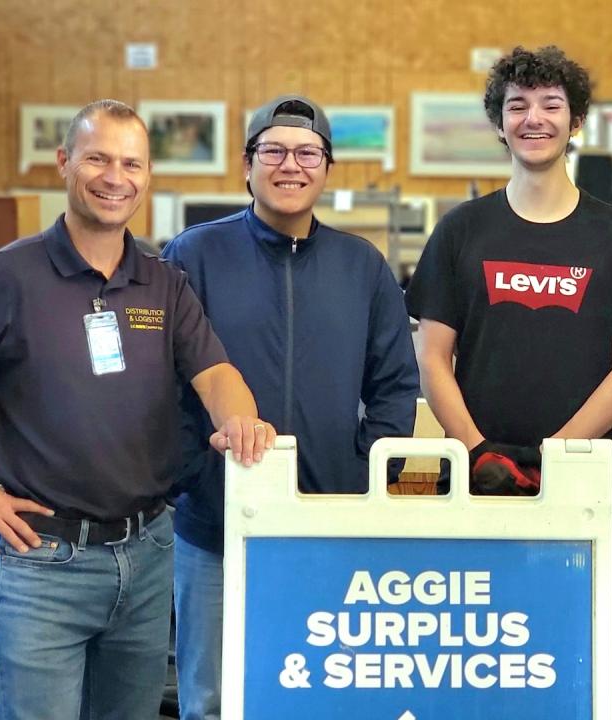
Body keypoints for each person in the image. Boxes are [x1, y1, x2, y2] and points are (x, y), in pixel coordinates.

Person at [0, 99, 272, 720]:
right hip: (44, 566)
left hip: (146, 557)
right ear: (64, 163)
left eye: (131, 163)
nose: (116, 177)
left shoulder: (161, 282)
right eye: (98, 159)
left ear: (146, 177)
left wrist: (239, 418)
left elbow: (215, 371)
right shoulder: (8, 277)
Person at [162, 94, 419, 720]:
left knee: (321, 693)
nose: (290, 165)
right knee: (211, 699)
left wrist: (360, 477)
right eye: (272, 150)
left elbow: (395, 385)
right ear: (247, 164)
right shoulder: (193, 256)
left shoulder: (362, 266)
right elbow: (160, 384)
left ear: (327, 168)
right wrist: (194, 475)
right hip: (215, 528)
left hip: (329, 526)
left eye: (307, 152)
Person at [405, 46, 612, 492]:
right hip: (475, 469)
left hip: (579, 471)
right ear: (499, 124)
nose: (534, 118)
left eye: (551, 104)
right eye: (517, 106)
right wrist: (477, 451)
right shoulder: (460, 230)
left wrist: (558, 457)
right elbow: (432, 357)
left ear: (576, 121)